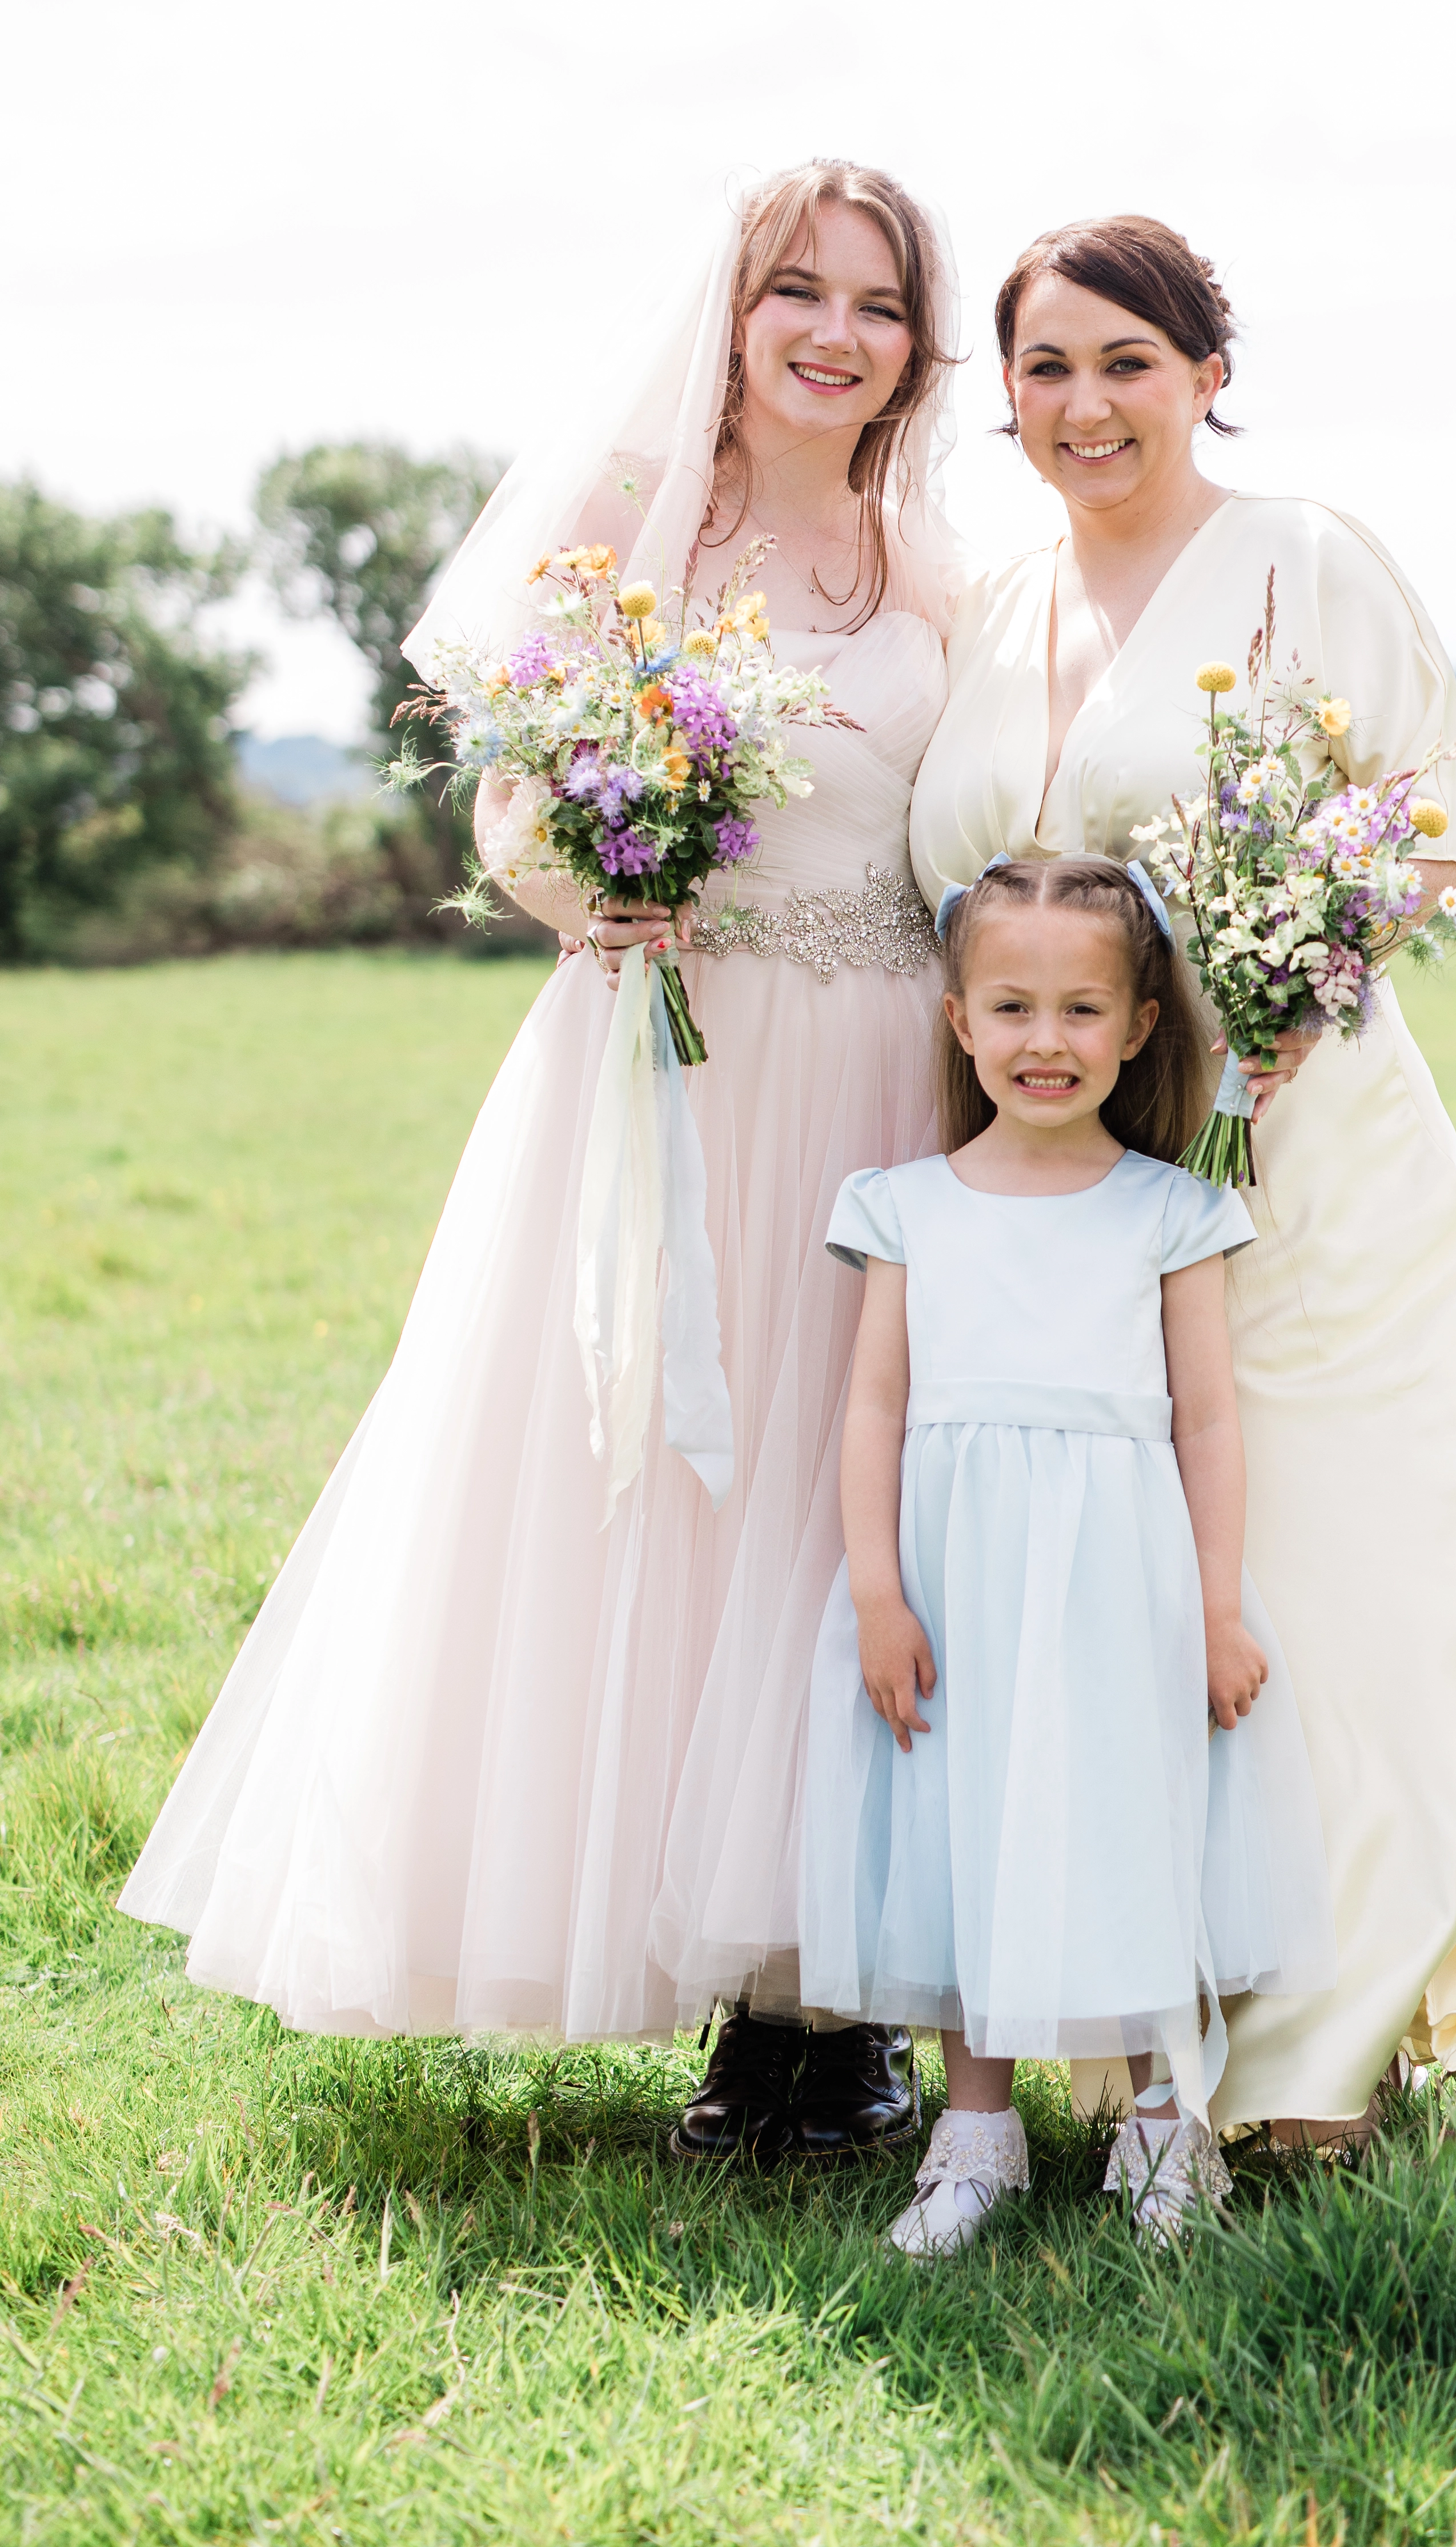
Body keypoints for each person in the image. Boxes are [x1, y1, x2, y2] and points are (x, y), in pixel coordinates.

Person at [121, 161, 960, 2165]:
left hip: (879, 1074)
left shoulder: (934, 557)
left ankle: (823, 2006)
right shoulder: (633, 514)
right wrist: (593, 884)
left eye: (876, 303)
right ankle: (680, 1968)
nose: (835, 335)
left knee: (841, 1506)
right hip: (668, 1059)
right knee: (659, 1488)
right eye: (796, 294)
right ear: (732, 314)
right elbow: (514, 791)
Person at [908, 215, 1456, 2146]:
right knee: (1119, 1584)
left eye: (1125, 359)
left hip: (1297, 1152)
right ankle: (1138, 2040)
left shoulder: (1302, 564)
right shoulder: (994, 601)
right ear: (1004, 398)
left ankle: (1316, 2054)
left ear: (1203, 370)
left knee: (1330, 1565)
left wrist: (1290, 988)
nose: (1084, 401)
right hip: (1062, 1175)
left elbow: (1422, 817)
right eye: (1043, 367)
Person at [799, 854, 1334, 2251]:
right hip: (958, 1575)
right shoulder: (904, 1204)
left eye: (1084, 1010)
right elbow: (874, 1407)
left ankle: (1166, 2131)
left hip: (1123, 1581)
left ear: (1141, 1026)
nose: (1048, 1042)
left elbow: (1208, 1421)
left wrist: (1215, 1608)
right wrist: (875, 1591)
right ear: (961, 1020)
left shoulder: (1173, 1211)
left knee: (1133, 1817)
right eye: (1014, 1007)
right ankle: (978, 2140)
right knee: (968, 1824)